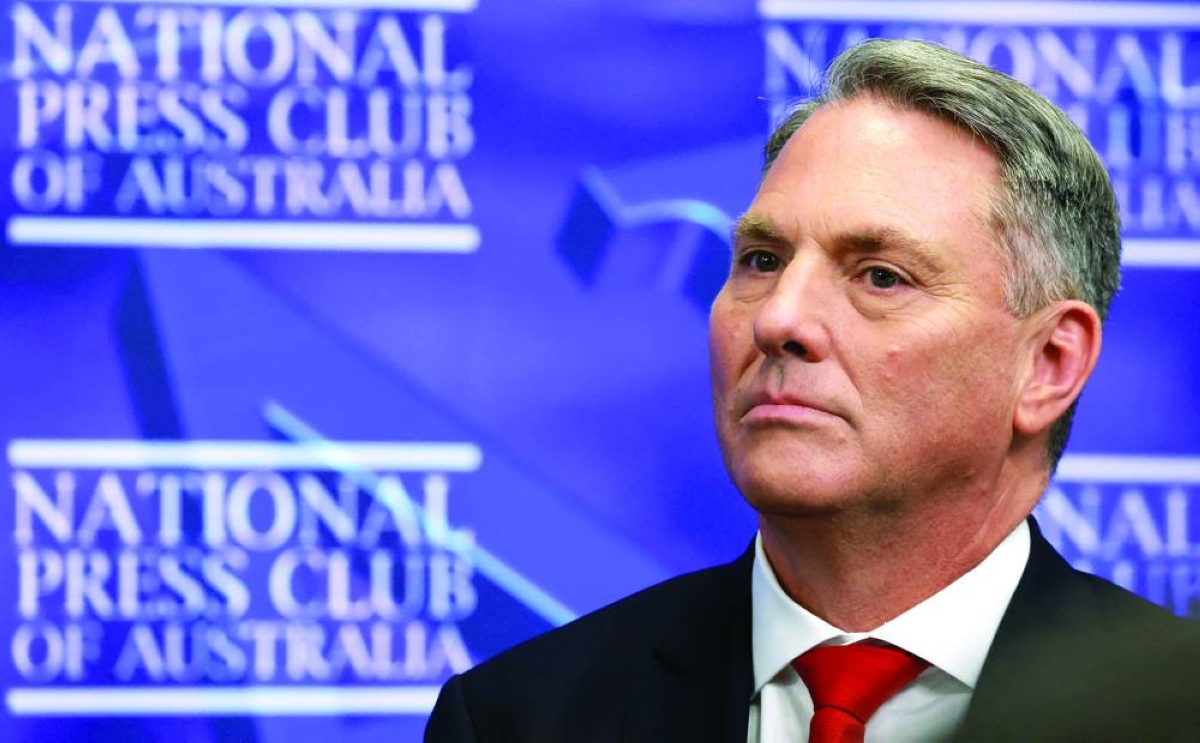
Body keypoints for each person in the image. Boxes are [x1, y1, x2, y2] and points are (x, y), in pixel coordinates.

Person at [424, 38, 1197, 742]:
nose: (779, 319)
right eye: (761, 261)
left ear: (1049, 364)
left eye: (881, 277)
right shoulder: (517, 721)